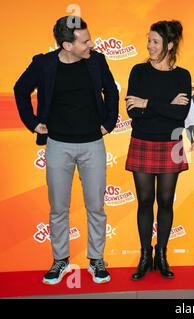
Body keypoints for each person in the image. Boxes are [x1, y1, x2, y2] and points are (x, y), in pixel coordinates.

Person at [14, 16, 119, 284]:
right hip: (58, 145)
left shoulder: (96, 61)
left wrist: (108, 124)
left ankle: (97, 259)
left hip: (93, 145)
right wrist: (33, 123)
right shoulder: (44, 64)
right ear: (67, 45)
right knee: (58, 208)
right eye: (84, 41)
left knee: (96, 207)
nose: (91, 44)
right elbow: (20, 89)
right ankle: (60, 260)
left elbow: (112, 92)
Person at [125, 20, 191, 280]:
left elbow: (181, 114)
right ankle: (144, 256)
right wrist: (165, 106)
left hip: (170, 143)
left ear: (170, 45)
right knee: (144, 202)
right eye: (149, 41)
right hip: (142, 140)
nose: (149, 46)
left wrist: (148, 103)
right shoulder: (138, 71)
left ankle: (161, 255)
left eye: (155, 42)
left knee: (165, 201)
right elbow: (133, 112)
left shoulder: (182, 76)